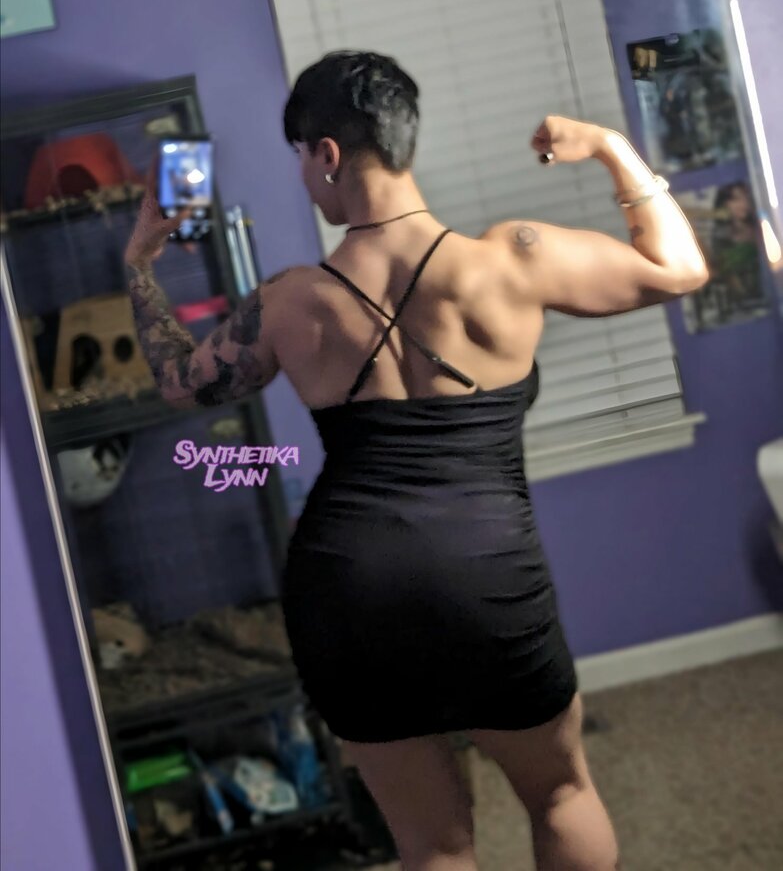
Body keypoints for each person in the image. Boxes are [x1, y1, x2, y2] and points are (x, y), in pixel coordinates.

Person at [124, 50, 708, 871]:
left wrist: (139, 265)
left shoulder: (290, 302)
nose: (305, 178)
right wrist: (610, 146)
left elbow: (179, 383)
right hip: (485, 571)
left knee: (431, 843)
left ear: (327, 153)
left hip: (348, 583)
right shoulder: (512, 257)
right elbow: (680, 268)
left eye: (301, 158)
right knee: (559, 793)